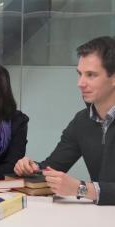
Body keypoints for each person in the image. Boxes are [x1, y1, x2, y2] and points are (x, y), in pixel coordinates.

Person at [14, 36, 115, 205]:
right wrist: (31, 168)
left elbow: (80, 188)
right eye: (80, 74)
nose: (80, 83)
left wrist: (81, 188)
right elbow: (53, 168)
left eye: (91, 75)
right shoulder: (82, 121)